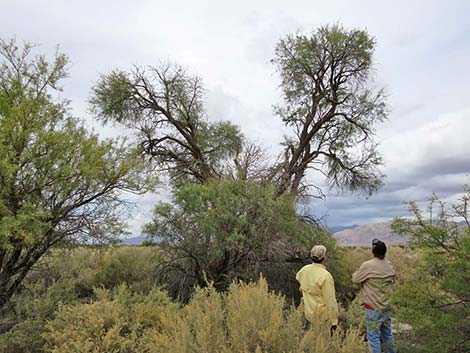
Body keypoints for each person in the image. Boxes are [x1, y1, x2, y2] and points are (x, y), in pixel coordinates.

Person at [352, 239, 396, 353]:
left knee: (373, 337)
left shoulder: (368, 265)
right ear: (385, 252)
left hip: (372, 307)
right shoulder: (390, 265)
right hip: (386, 306)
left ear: (373, 251)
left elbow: (355, 279)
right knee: (387, 333)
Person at [296, 245, 339, 333]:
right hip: (322, 317)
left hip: (307, 313)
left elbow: (298, 278)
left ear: (311, 256)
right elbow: (330, 300)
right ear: (324, 258)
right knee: (322, 343)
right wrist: (334, 321)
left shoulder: (304, 270)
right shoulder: (326, 276)